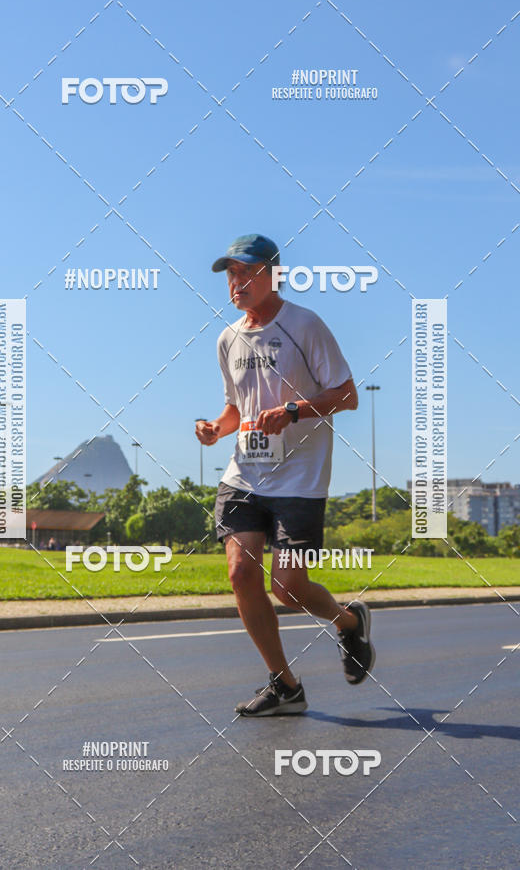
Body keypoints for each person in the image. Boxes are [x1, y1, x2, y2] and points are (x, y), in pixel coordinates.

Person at [195, 234, 375, 717]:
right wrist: (216, 428)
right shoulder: (227, 339)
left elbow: (348, 394)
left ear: (274, 275)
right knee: (240, 572)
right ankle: (285, 685)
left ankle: (348, 623)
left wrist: (294, 410)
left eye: (246, 272)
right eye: (230, 274)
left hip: (299, 478)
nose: (236, 282)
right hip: (244, 475)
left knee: (289, 587)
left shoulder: (305, 325)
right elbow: (237, 408)